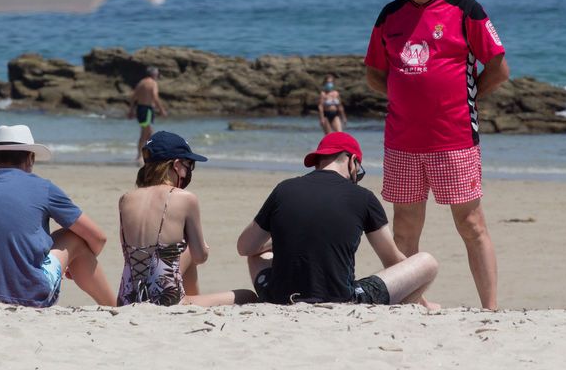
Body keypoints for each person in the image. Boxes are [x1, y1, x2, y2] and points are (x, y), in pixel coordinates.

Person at [364, 0, 509, 309]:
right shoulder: (390, 14)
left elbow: (498, 67)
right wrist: (404, 97)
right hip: (402, 140)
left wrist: (469, 95)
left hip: (455, 138)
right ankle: (409, 304)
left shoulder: (465, 9)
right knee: (405, 229)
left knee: (471, 224)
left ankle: (490, 308)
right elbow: (374, 74)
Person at [236, 132, 438, 307]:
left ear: (318, 162)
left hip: (278, 298)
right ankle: (415, 307)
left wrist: (288, 237)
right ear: (353, 162)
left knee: (258, 255)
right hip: (340, 299)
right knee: (427, 263)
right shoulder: (363, 197)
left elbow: (245, 248)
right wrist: (423, 300)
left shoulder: (284, 188)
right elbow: (392, 260)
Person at [0, 124, 116, 307]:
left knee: (55, 236)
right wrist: (77, 262)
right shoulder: (43, 188)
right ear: (30, 158)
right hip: (26, 295)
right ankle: (113, 306)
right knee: (75, 237)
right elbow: (99, 238)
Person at [118, 131, 257, 306]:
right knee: (247, 296)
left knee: (181, 252)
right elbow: (200, 256)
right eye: (189, 164)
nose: (190, 170)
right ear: (176, 165)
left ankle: (191, 298)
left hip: (126, 299)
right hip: (168, 301)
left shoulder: (125, 199)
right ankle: (192, 302)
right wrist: (204, 247)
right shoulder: (185, 198)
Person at [127, 66, 167, 165]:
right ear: (154, 74)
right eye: (157, 73)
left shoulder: (141, 83)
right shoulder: (153, 83)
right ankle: (140, 156)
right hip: (147, 110)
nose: (158, 75)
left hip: (140, 109)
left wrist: (131, 110)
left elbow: (133, 97)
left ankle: (148, 154)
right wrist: (161, 109)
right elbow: (155, 96)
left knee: (147, 133)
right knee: (146, 133)